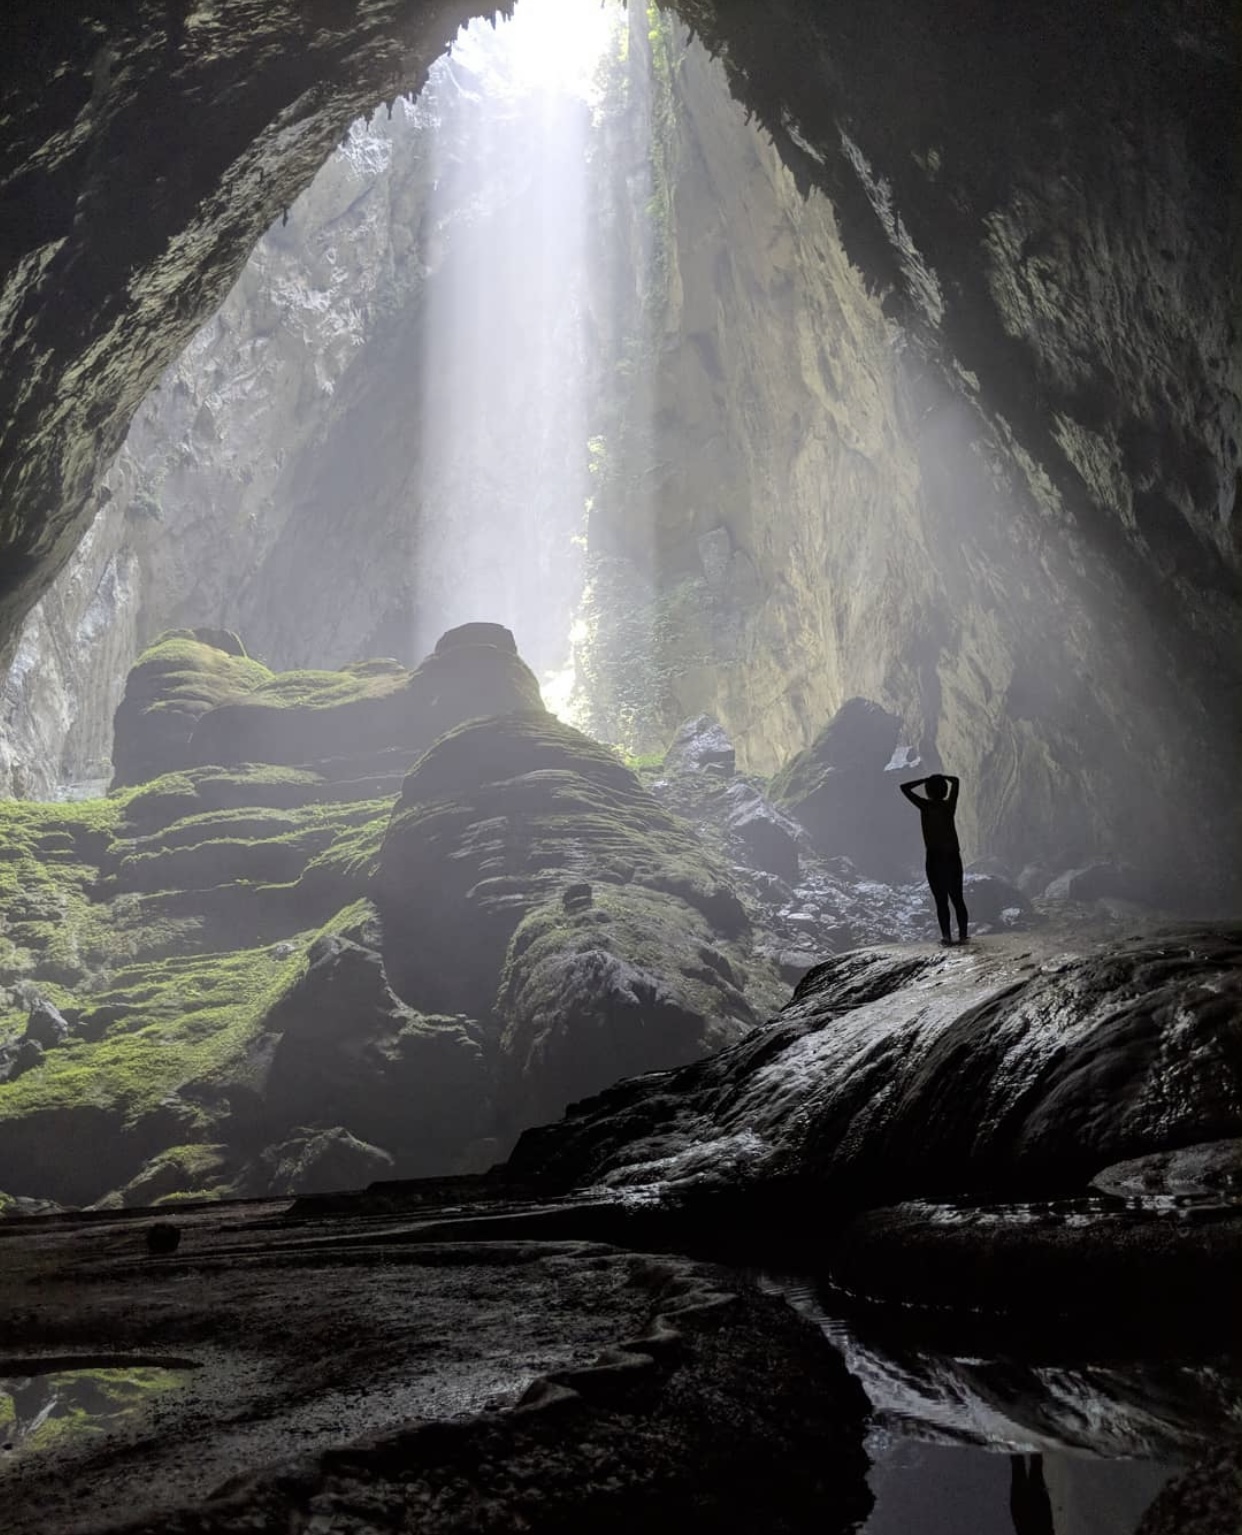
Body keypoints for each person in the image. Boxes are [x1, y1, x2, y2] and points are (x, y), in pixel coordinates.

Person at [900, 772, 969, 946]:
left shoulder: (925, 806)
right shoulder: (949, 806)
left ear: (928, 791)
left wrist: (924, 780)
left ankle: (946, 936)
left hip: (934, 857)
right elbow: (956, 781)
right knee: (957, 898)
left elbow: (904, 788)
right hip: (952, 856)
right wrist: (943, 777)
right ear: (944, 790)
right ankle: (963, 935)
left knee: (941, 900)